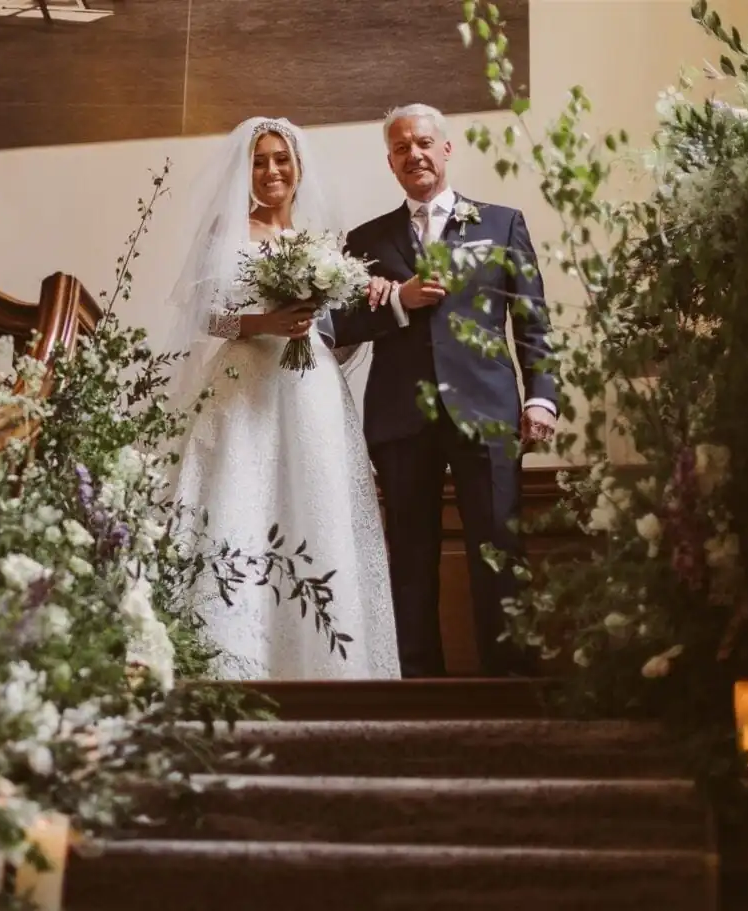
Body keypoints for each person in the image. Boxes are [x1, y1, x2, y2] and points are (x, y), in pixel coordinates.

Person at [160, 116, 400, 681]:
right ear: (246, 171)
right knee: (240, 500)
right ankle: (234, 659)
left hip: (310, 385)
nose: (272, 171)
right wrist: (267, 320)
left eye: (281, 160)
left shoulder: (322, 244)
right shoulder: (229, 232)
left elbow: (336, 329)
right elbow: (207, 317)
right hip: (246, 382)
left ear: (298, 169)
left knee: (316, 501)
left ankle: (330, 664)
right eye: (260, 161)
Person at [330, 103, 560, 679]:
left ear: (447, 149)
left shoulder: (502, 223)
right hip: (400, 418)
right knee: (409, 561)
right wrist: (398, 305)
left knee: (500, 555)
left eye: (425, 143)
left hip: (487, 410)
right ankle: (417, 691)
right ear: (391, 162)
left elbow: (532, 321)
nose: (416, 154)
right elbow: (339, 327)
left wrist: (541, 396)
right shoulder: (365, 239)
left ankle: (512, 689)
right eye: (403, 148)